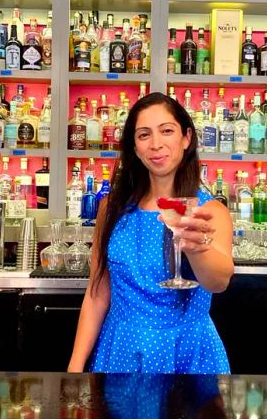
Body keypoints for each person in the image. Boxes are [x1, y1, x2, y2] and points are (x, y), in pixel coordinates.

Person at [68, 92, 233, 374]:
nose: (156, 144)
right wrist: (74, 367)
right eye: (144, 135)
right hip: (121, 350)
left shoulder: (210, 211)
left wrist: (198, 248)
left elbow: (219, 281)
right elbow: (97, 294)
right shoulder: (112, 208)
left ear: (186, 138)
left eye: (167, 131)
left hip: (188, 353)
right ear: (134, 146)